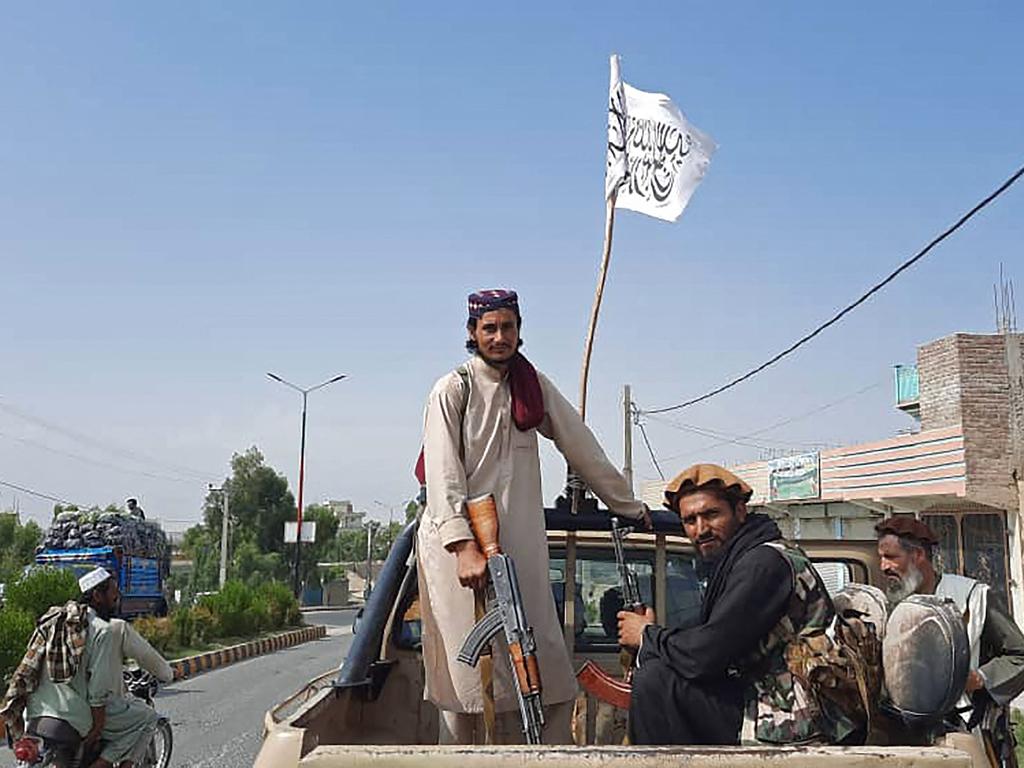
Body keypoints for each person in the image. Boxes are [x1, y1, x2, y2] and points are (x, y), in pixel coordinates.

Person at [417, 288, 650, 745]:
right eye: (489, 328)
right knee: (464, 688)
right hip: (458, 555)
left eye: (508, 327)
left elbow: (581, 445)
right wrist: (463, 546)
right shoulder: (453, 390)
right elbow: (443, 478)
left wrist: (627, 504)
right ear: (472, 333)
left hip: (519, 552)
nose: (499, 337)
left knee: (547, 674)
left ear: (520, 331)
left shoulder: (531, 386)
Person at [618, 463, 842, 746]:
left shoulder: (764, 563)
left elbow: (707, 654)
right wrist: (651, 639)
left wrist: (647, 636)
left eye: (711, 515)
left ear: (739, 511)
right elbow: (706, 634)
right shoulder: (737, 561)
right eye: (690, 521)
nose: (701, 529)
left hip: (798, 714)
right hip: (767, 695)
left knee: (656, 681)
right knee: (660, 671)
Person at [876, 517, 1024, 760]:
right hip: (900, 733)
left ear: (918, 555)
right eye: (881, 557)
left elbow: (1019, 655)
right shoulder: (887, 605)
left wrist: (979, 678)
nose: (883, 566)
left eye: (891, 557)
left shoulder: (972, 597)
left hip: (962, 731)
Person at [80, 567, 174, 768]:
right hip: (93, 708)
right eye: (114, 595)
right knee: (148, 717)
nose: (118, 598)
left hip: (56, 708)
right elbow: (147, 657)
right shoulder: (111, 629)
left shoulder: (65, 623)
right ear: (97, 596)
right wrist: (168, 674)